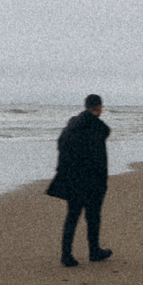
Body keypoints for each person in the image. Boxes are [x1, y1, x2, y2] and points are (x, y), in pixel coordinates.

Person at [45, 93, 112, 266]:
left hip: (73, 180)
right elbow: (98, 157)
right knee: (93, 216)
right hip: (92, 180)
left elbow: (61, 148)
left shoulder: (71, 127)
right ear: (98, 107)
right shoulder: (96, 128)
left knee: (72, 216)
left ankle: (66, 254)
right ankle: (94, 250)